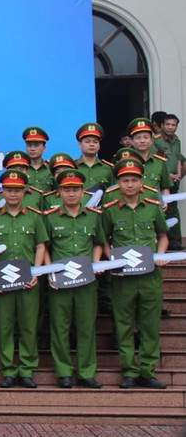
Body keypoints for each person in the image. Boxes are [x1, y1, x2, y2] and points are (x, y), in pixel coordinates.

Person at [103, 159, 169, 389]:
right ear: (118, 183)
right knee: (124, 324)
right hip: (123, 278)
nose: (129, 184)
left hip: (150, 275)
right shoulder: (110, 210)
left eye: (133, 180)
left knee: (149, 324)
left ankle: (148, 370)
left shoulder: (152, 206)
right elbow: (104, 240)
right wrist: (112, 260)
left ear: (141, 182)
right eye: (125, 180)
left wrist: (161, 255)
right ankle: (129, 370)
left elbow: (163, 235)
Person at [0, 170, 48, 389]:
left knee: (28, 326)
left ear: (24, 192)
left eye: (17, 190)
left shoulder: (34, 216)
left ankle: (27, 369)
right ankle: (8, 370)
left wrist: (36, 272)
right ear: (2, 191)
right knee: (6, 326)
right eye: (9, 190)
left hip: (28, 280)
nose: (13, 194)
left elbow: (40, 246)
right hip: (3, 281)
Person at [43, 169, 105, 389]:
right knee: (60, 327)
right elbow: (44, 246)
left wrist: (96, 263)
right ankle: (64, 372)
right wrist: (49, 270)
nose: (71, 194)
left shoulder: (94, 216)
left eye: (75, 190)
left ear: (83, 192)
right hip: (59, 281)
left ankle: (86, 372)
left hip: (86, 281)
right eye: (67, 190)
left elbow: (99, 243)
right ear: (59, 192)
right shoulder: (50, 217)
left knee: (86, 326)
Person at [154, 113, 184, 250]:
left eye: (173, 125)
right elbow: (156, 161)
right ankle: (162, 241)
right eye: (168, 124)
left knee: (173, 210)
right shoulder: (156, 140)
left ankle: (175, 241)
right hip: (161, 180)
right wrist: (168, 175)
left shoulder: (176, 140)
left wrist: (179, 174)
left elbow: (178, 159)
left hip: (174, 181)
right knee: (162, 210)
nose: (171, 127)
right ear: (162, 125)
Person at [75, 122, 114, 189]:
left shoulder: (107, 169)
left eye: (95, 142)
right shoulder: (73, 167)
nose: (92, 144)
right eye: (87, 142)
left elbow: (112, 191)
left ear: (99, 145)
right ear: (80, 145)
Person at [22, 126, 54, 194]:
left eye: (36, 145)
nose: (32, 149)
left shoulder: (51, 169)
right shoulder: (20, 169)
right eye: (29, 145)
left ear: (44, 148)